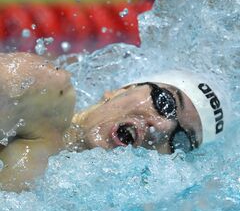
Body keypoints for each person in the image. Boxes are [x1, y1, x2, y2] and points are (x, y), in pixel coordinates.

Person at [0, 52, 226, 192]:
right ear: (120, 90)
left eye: (182, 140)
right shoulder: (43, 97)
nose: (163, 127)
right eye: (165, 102)